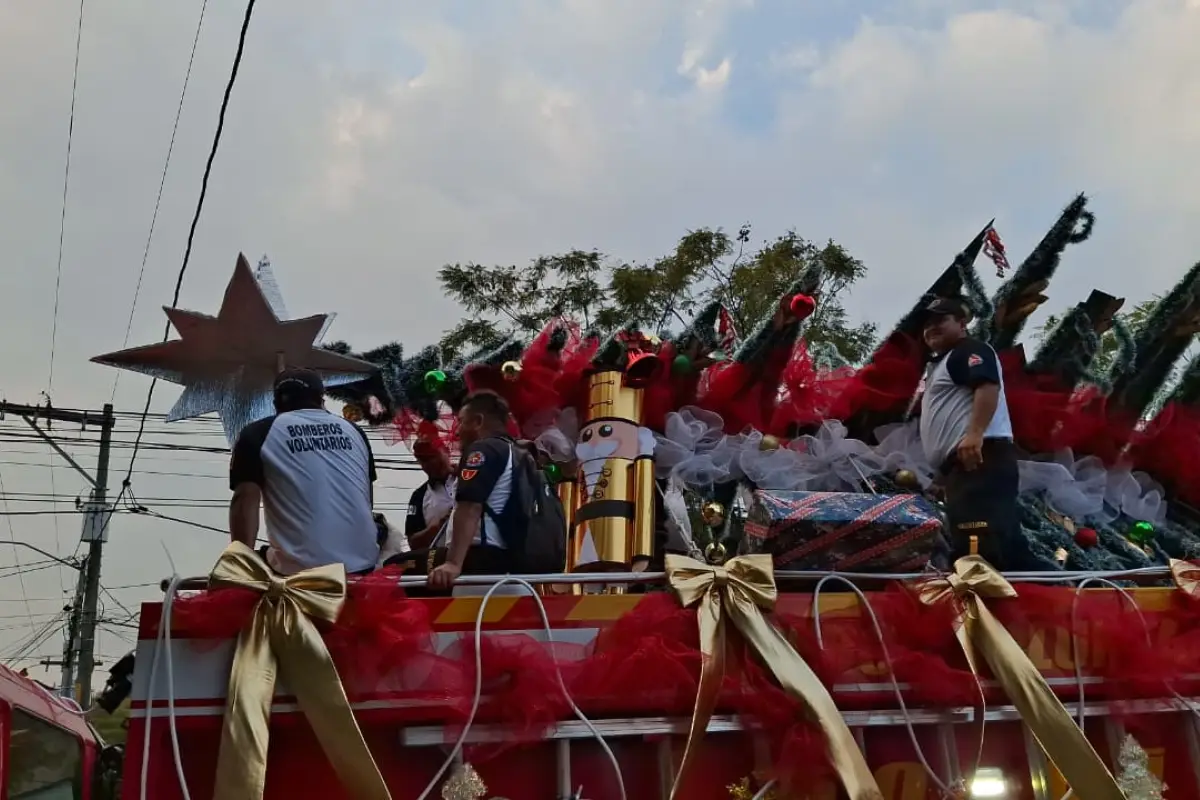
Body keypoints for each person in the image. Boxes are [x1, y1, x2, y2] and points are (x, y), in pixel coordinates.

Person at [229, 368, 379, 575]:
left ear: (276, 403)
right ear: (321, 399)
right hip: (365, 565)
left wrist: (239, 568)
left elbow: (245, 500)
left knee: (254, 559)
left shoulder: (257, 434)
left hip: (300, 573)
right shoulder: (355, 432)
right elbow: (366, 500)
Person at [918, 297, 1019, 569]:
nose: (931, 328)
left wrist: (975, 434)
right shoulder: (943, 363)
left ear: (962, 324)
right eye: (926, 324)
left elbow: (986, 387)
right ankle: (1061, 598)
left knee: (978, 551)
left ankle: (984, 609)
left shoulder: (969, 350)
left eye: (940, 320)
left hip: (980, 458)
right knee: (999, 549)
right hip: (962, 466)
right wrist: (942, 474)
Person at [427, 391, 517, 591]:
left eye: (460, 422)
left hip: (480, 562)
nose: (456, 431)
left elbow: (470, 506)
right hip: (507, 564)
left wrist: (453, 564)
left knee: (398, 567)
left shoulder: (482, 450)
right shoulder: (515, 451)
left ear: (477, 421)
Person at [405, 438, 456, 550]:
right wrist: (435, 528)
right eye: (424, 460)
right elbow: (413, 543)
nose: (432, 463)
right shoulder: (418, 496)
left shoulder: (468, 478)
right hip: (441, 559)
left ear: (447, 450)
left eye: (433, 456)